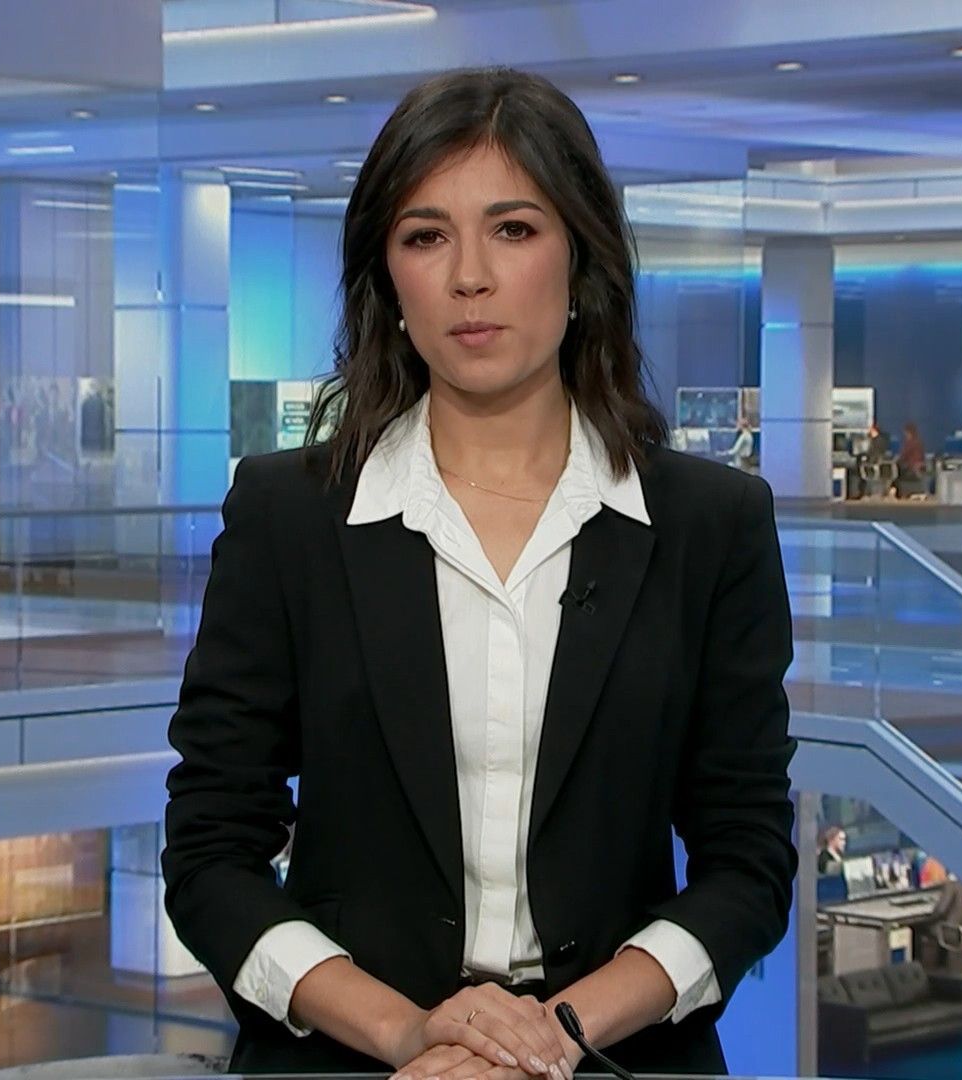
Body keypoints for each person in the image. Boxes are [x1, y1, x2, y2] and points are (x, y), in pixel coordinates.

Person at [162, 67, 797, 1080]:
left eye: (512, 229)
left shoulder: (710, 526)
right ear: (387, 277)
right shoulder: (289, 516)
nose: (469, 276)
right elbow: (208, 857)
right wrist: (407, 1034)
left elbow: (749, 863)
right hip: (360, 1058)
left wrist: (557, 1033)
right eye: (426, 236)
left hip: (615, 1054)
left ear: (582, 258)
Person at [894, 422, 926, 498]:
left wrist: (896, 460)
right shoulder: (919, 441)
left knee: (895, 473)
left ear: (908, 432)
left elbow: (903, 455)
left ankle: (898, 493)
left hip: (911, 467)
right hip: (919, 466)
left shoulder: (910, 442)